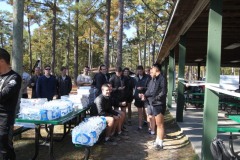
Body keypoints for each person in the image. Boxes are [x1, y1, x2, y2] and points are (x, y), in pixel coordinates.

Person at [0, 48, 22, 159]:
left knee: (4, 147)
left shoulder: (14, 77)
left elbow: (3, 95)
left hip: (5, 119)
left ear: (2, 61)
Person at [139, 63, 167, 150]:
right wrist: (144, 95)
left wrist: (155, 99)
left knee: (160, 124)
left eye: (152, 69)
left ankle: (161, 143)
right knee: (157, 124)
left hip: (159, 104)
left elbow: (163, 92)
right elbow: (149, 90)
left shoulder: (162, 78)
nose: (151, 71)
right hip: (153, 104)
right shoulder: (153, 79)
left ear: (157, 69)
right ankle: (158, 141)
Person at [134, 65, 150, 130]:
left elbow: (150, 87)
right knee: (139, 112)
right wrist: (136, 95)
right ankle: (140, 126)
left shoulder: (148, 77)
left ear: (143, 70)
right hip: (138, 97)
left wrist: (143, 88)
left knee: (147, 112)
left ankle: (150, 127)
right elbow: (134, 88)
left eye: (141, 71)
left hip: (146, 97)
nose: (139, 72)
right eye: (138, 71)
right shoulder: (135, 78)